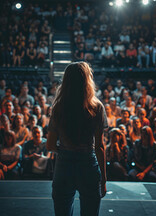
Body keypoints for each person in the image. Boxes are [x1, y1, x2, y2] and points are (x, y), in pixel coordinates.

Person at [47, 62, 107, 216]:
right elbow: (99, 146)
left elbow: (50, 145)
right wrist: (104, 179)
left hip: (64, 165)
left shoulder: (58, 107)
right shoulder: (96, 107)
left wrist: (66, 151)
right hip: (88, 163)